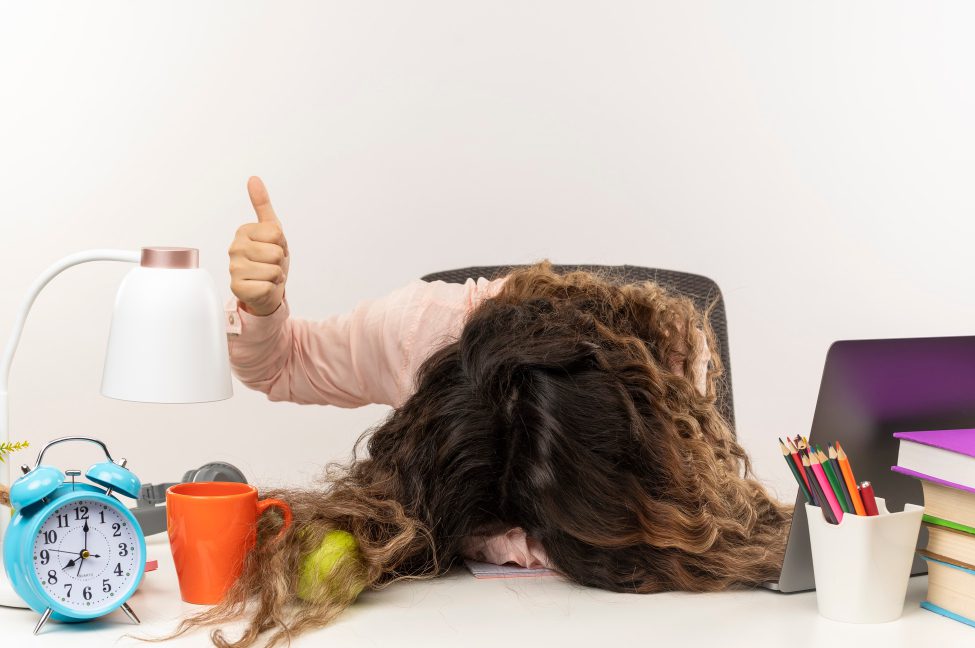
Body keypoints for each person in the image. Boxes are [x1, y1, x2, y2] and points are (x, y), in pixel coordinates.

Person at [179, 177, 791, 648]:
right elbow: (283, 363)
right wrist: (263, 306)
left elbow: (698, 523)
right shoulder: (416, 331)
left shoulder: (669, 363)